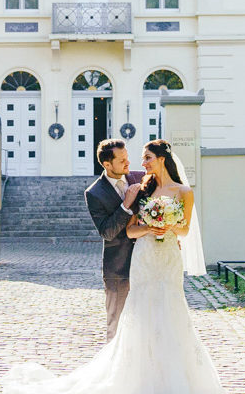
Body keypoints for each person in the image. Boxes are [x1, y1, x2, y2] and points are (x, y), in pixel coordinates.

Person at [2, 139, 224, 394]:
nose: (134, 164)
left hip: (166, 259)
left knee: (171, 312)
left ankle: (169, 374)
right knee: (125, 323)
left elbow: (184, 227)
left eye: (142, 157)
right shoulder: (102, 192)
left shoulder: (152, 183)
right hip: (130, 262)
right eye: (124, 160)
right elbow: (115, 231)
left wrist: (169, 227)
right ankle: (125, 376)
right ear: (108, 164)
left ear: (160, 158)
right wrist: (139, 217)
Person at [83, 138, 146, 342]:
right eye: (122, 161)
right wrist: (126, 205)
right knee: (116, 327)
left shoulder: (140, 177)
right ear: (107, 164)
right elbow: (107, 232)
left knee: (146, 324)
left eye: (127, 158)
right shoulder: (94, 193)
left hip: (147, 262)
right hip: (118, 269)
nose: (128, 164)